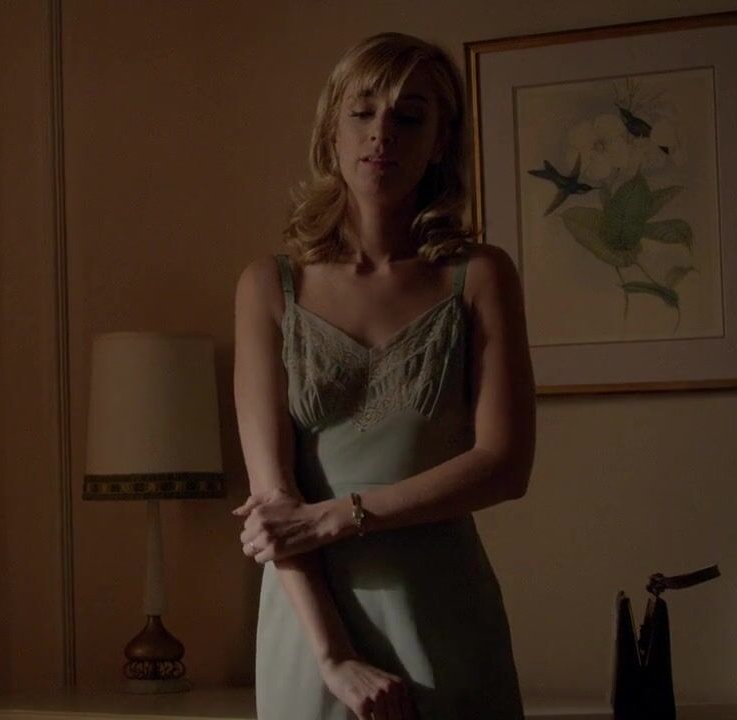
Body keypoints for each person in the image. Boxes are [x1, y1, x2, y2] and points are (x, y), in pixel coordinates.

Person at [231, 32, 536, 720]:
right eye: (363, 111)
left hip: (442, 613)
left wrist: (341, 515)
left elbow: (505, 465)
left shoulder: (478, 276)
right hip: (310, 629)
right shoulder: (268, 286)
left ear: (441, 140)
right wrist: (333, 659)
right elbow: (274, 503)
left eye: (409, 117)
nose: (381, 135)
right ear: (330, 129)